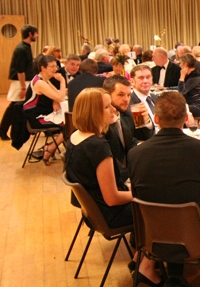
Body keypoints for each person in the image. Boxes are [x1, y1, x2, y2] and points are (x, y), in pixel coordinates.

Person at [128, 92, 200, 287]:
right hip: (193, 235)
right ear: (185, 118)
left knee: (172, 204)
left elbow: (139, 195)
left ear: (156, 119)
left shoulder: (135, 154)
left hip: (151, 234)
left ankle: (175, 277)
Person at [64, 88, 160, 286]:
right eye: (107, 107)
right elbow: (112, 198)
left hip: (92, 212)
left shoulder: (75, 137)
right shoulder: (97, 147)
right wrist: (137, 192)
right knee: (159, 207)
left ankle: (139, 258)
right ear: (93, 112)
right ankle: (147, 267)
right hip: (108, 213)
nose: (113, 111)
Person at [103, 75, 151, 178]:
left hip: (128, 170)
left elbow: (140, 138)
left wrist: (146, 120)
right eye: (121, 95)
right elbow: (108, 158)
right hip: (114, 176)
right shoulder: (102, 122)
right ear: (107, 95)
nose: (126, 99)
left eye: (129, 95)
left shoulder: (126, 114)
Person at [23, 55, 67, 164]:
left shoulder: (45, 80)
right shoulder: (39, 82)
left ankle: (54, 148)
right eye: (52, 66)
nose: (55, 69)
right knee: (69, 125)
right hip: (36, 118)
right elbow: (60, 97)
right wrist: (62, 81)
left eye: (56, 66)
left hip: (42, 113)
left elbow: (57, 94)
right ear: (43, 68)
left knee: (70, 122)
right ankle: (50, 148)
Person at [0, 24, 38, 141]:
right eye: (36, 33)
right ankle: (2, 130)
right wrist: (23, 87)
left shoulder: (26, 46)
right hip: (20, 83)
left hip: (24, 82)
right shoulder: (21, 49)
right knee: (13, 107)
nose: (37, 35)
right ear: (30, 34)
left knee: (22, 106)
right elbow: (20, 71)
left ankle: (26, 128)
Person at [129, 64, 158, 137]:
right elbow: (143, 135)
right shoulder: (131, 103)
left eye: (148, 77)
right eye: (141, 78)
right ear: (132, 81)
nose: (145, 81)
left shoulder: (157, 98)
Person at [177, 53, 200, 118]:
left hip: (198, 106)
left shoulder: (195, 77)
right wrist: (167, 88)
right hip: (193, 104)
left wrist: (182, 77)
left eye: (180, 63)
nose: (179, 65)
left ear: (185, 64)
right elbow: (184, 87)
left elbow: (181, 93)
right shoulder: (191, 76)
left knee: (176, 110)